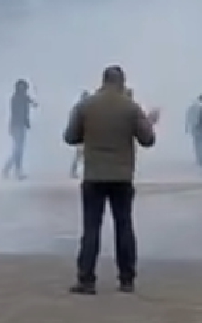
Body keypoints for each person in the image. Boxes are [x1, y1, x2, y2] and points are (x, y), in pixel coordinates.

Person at [63, 65, 159, 295]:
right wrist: (148, 121)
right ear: (122, 82)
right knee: (124, 226)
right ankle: (127, 279)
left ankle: (86, 279)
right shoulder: (131, 107)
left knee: (91, 228)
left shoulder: (86, 105)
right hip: (122, 176)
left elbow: (70, 137)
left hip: (94, 175)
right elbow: (148, 140)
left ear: (103, 81)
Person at [2, 79, 35, 181]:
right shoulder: (16, 98)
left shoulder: (22, 98)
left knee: (18, 149)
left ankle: (12, 169)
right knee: (18, 149)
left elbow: (30, 103)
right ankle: (14, 170)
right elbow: (18, 113)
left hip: (20, 126)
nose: (25, 90)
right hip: (16, 126)